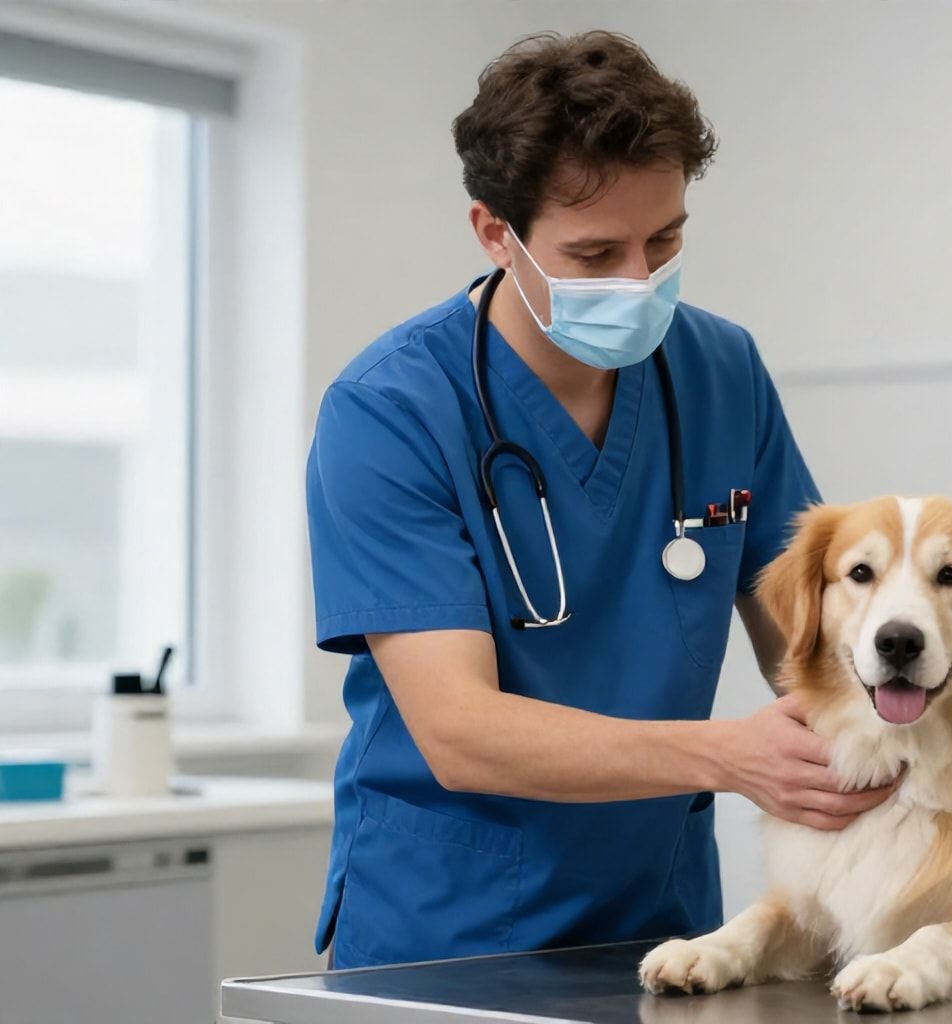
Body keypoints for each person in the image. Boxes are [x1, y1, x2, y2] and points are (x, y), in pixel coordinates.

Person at [305, 31, 891, 969]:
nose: (638, 280)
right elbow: (461, 732)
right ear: (495, 232)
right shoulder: (390, 411)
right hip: (449, 931)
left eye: (664, 241)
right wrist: (729, 756)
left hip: (662, 917)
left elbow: (814, 635)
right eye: (595, 252)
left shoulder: (720, 371)